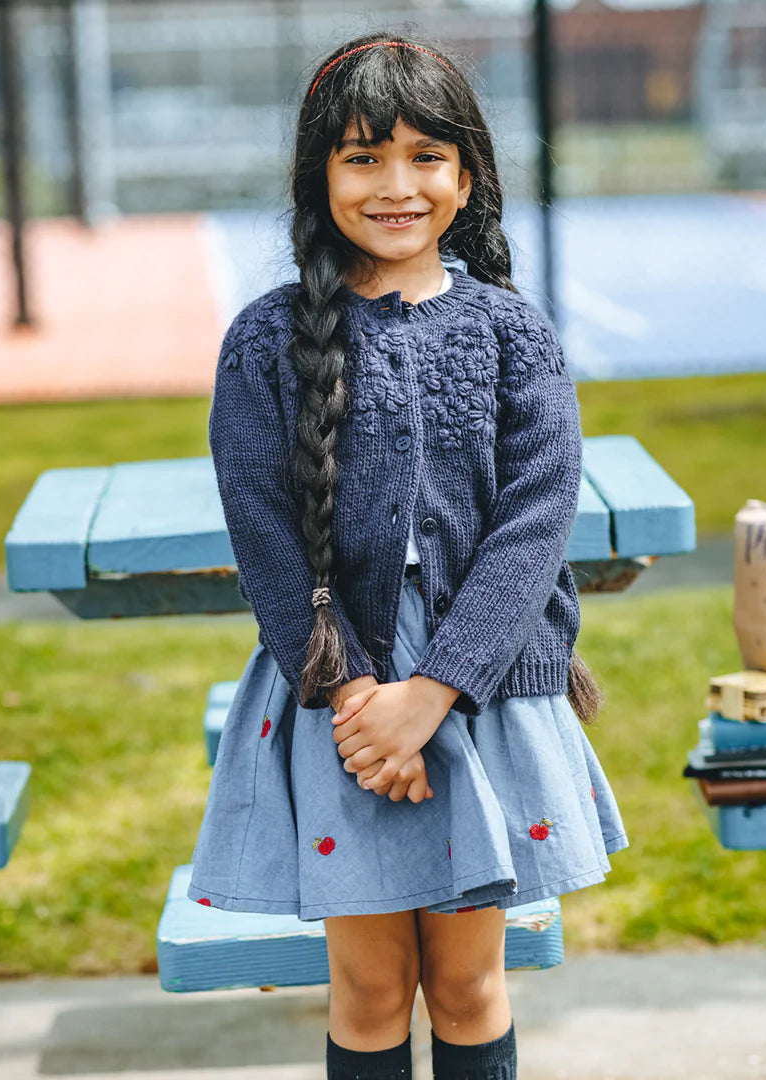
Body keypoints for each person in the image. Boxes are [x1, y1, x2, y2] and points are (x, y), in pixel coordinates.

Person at [187, 32, 629, 1080]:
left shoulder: (514, 335)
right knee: (372, 989)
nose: (397, 185)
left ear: (466, 175)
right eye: (362, 157)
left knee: (471, 986)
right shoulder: (264, 343)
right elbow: (265, 537)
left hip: (477, 696)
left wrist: (434, 692)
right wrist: (359, 704)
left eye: (426, 156)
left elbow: (534, 524)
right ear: (319, 175)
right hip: (339, 703)